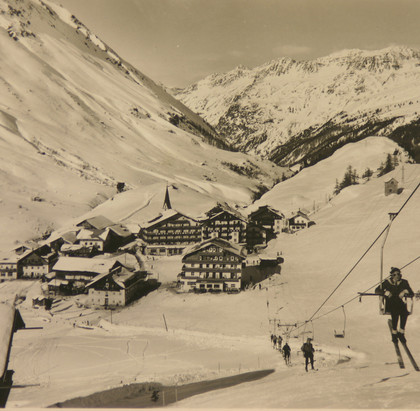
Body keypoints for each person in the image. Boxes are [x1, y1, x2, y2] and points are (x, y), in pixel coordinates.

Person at [375, 267, 414, 343]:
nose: (397, 276)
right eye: (394, 274)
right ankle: (394, 332)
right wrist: (385, 292)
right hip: (390, 303)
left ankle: (401, 332)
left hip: (399, 303)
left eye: (398, 274)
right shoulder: (387, 282)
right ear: (392, 275)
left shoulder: (404, 282)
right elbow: (377, 290)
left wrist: (405, 291)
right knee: (395, 312)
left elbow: (411, 293)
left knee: (404, 313)